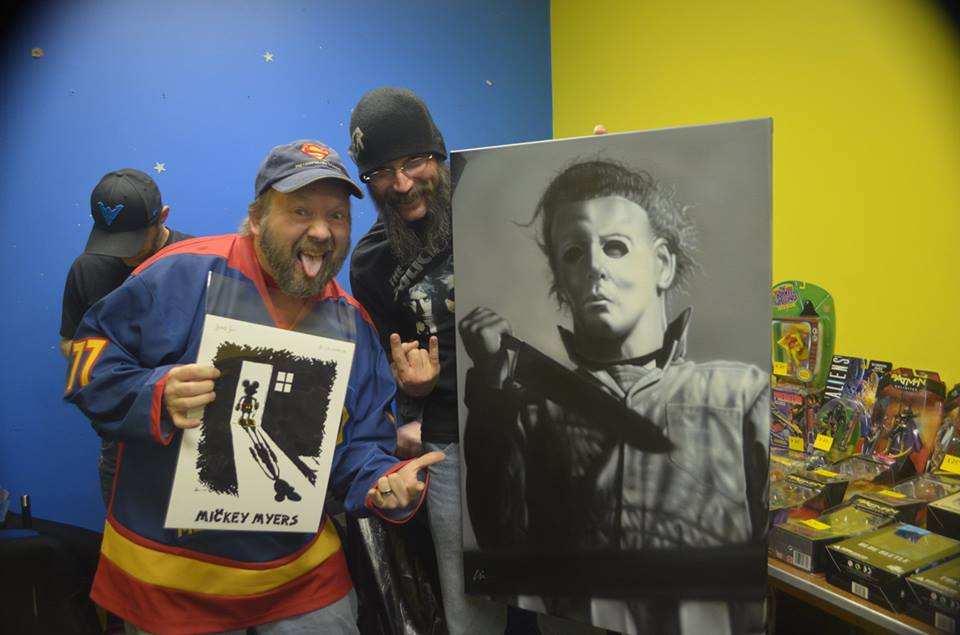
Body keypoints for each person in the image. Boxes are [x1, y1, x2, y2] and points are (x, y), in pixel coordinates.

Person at [64, 139, 444, 634]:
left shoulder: (352, 325)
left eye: (336, 216)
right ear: (258, 218)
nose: (321, 231)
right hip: (170, 577)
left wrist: (382, 483)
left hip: (299, 574)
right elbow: (88, 368)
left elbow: (360, 447)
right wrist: (156, 393)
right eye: (301, 211)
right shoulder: (179, 274)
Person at [458, 160, 769, 635]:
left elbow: (773, 552)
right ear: (560, 279)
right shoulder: (528, 411)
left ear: (662, 264)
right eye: (573, 253)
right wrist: (489, 388)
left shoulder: (740, 394)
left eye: (616, 247)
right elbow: (500, 545)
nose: (595, 267)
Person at [347, 87, 509, 634]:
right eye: (381, 173)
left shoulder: (500, 199)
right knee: (471, 600)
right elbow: (390, 375)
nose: (401, 184)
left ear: (437, 153)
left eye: (413, 160)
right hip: (450, 443)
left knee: (566, 593)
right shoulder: (371, 263)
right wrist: (411, 396)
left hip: (545, 426)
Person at [60, 168, 191, 506]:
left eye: (132, 239)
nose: (122, 253)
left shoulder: (195, 261)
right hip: (121, 431)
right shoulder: (87, 268)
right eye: (111, 239)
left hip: (188, 428)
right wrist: (116, 368)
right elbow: (69, 343)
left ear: (162, 217)